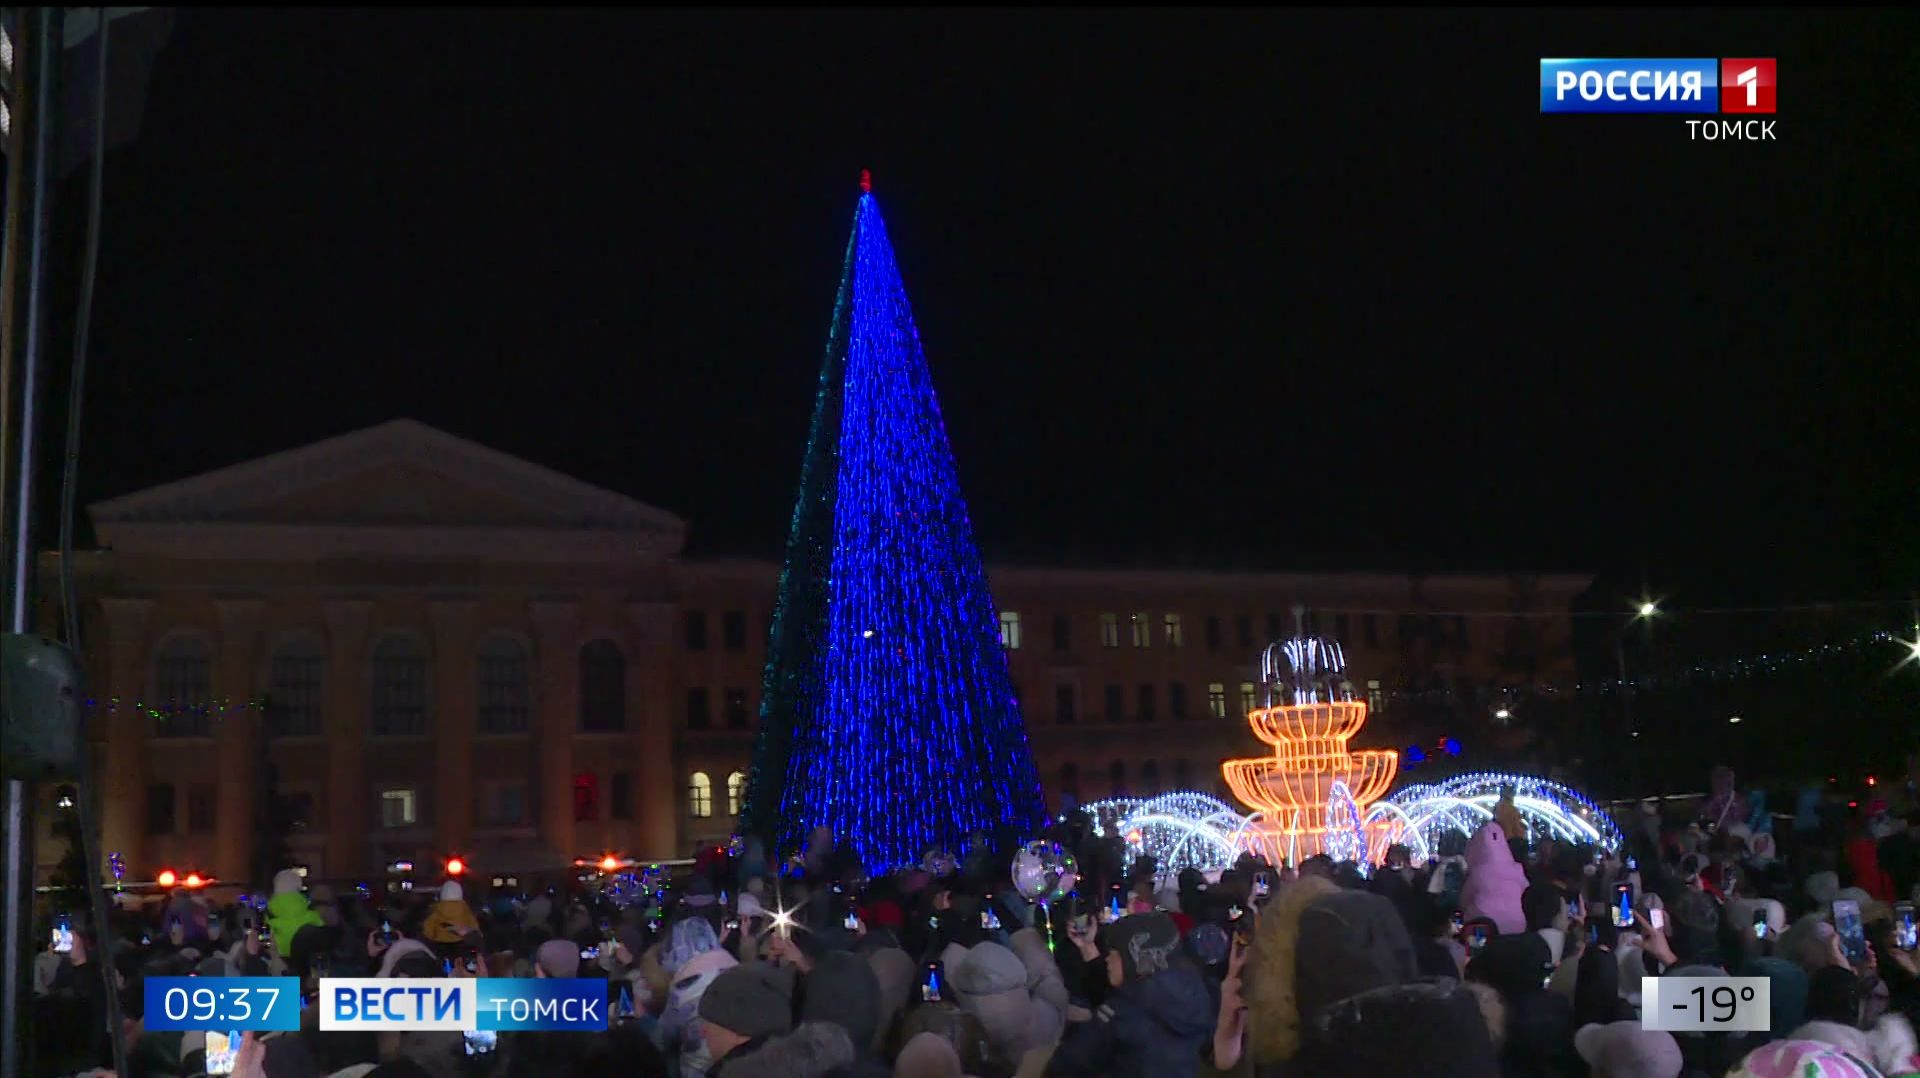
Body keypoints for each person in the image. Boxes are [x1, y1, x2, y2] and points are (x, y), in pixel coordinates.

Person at [1046, 911, 1211, 1078]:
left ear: (1135, 958)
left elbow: (1068, 1064)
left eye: (1114, 953)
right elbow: (1114, 994)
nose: (1107, 958)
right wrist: (1087, 947)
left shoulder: (1121, 1014)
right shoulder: (1195, 994)